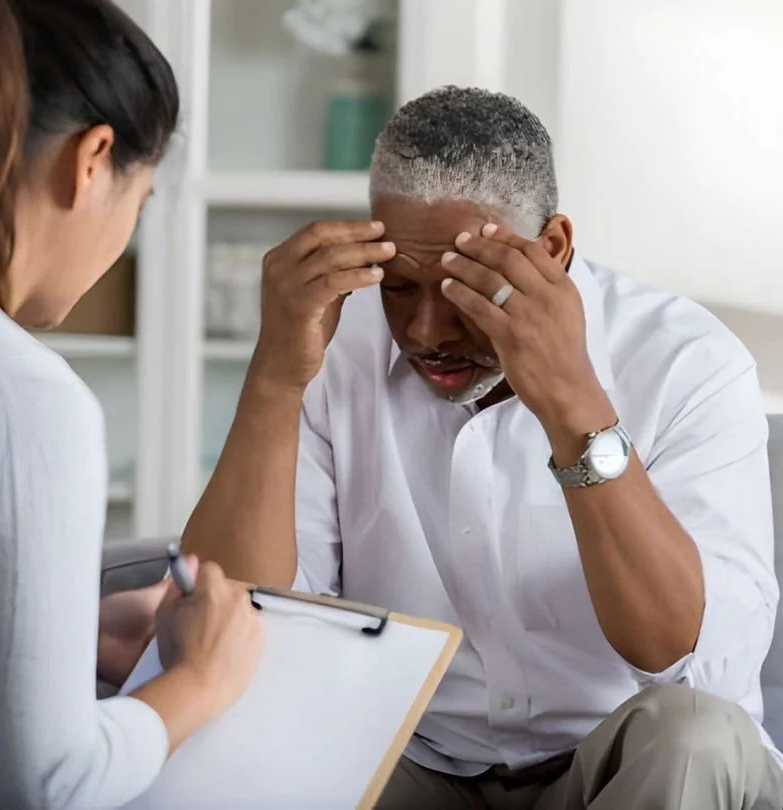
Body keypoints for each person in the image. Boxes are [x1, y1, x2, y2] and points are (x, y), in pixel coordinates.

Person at [184, 85, 783, 808]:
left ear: (552, 248)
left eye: (461, 287)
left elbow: (690, 665)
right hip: (412, 760)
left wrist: (573, 406)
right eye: (398, 287)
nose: (427, 332)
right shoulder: (331, 346)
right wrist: (276, 377)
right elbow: (225, 626)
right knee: (227, 727)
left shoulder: (686, 361)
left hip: (618, 770)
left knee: (697, 736)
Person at [0, 1, 261, 807]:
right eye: (144, 199)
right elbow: (51, 783)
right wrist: (203, 678)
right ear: (93, 159)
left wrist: (68, 612)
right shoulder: (24, 398)